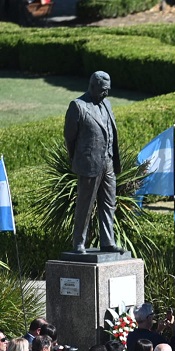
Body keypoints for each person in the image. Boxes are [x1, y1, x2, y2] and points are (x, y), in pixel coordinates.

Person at [64, 71, 123, 255]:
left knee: (109, 204)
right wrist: (79, 160)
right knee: (85, 205)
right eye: (103, 89)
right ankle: (79, 242)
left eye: (108, 89)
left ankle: (107, 241)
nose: (107, 93)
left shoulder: (107, 104)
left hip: (108, 163)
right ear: (92, 86)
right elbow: (70, 138)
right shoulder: (78, 106)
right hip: (89, 164)